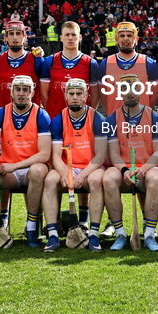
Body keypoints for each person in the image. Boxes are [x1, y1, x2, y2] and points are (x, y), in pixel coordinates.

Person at [0, 75, 52, 247]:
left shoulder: (41, 114)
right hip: (8, 171)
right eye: (18, 89)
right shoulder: (0, 114)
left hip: (28, 168)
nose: (21, 93)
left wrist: (15, 166)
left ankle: (31, 227)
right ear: (11, 92)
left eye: (26, 90)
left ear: (32, 92)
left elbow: (45, 154)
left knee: (38, 170)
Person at [42, 78, 107, 252]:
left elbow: (100, 156)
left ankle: (93, 234)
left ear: (86, 96)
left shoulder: (97, 118)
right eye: (71, 94)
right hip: (66, 166)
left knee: (96, 181)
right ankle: (53, 235)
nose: (75, 97)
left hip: (91, 167)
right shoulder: (58, 120)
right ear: (65, 96)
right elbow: (56, 156)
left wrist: (82, 175)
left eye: (79, 94)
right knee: (49, 181)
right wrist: (65, 174)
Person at [101, 74, 158, 251]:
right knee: (108, 178)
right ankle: (120, 233)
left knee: (156, 178)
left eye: (134, 89)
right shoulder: (112, 119)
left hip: (147, 168)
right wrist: (125, 170)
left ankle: (150, 234)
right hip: (124, 169)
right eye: (125, 90)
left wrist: (144, 168)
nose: (129, 94)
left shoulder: (155, 117)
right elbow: (113, 154)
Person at [40, 21, 100, 119]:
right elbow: (43, 94)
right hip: (55, 119)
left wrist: (89, 116)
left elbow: (95, 96)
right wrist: (52, 114)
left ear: (80, 38)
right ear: (61, 38)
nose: (70, 38)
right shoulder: (49, 62)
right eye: (67, 35)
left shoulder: (91, 63)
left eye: (73, 34)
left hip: (82, 120)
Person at [97, 21, 158, 115]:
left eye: (129, 35)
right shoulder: (105, 64)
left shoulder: (149, 63)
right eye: (122, 36)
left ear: (136, 39)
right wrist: (113, 115)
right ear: (116, 39)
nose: (126, 39)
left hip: (143, 124)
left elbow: (153, 99)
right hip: (116, 123)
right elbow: (103, 98)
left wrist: (141, 115)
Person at [0, 20, 44, 109]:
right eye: (11, 34)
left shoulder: (37, 60)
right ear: (6, 37)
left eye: (18, 33)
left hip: (31, 118)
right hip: (4, 119)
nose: (15, 37)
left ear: (25, 36)